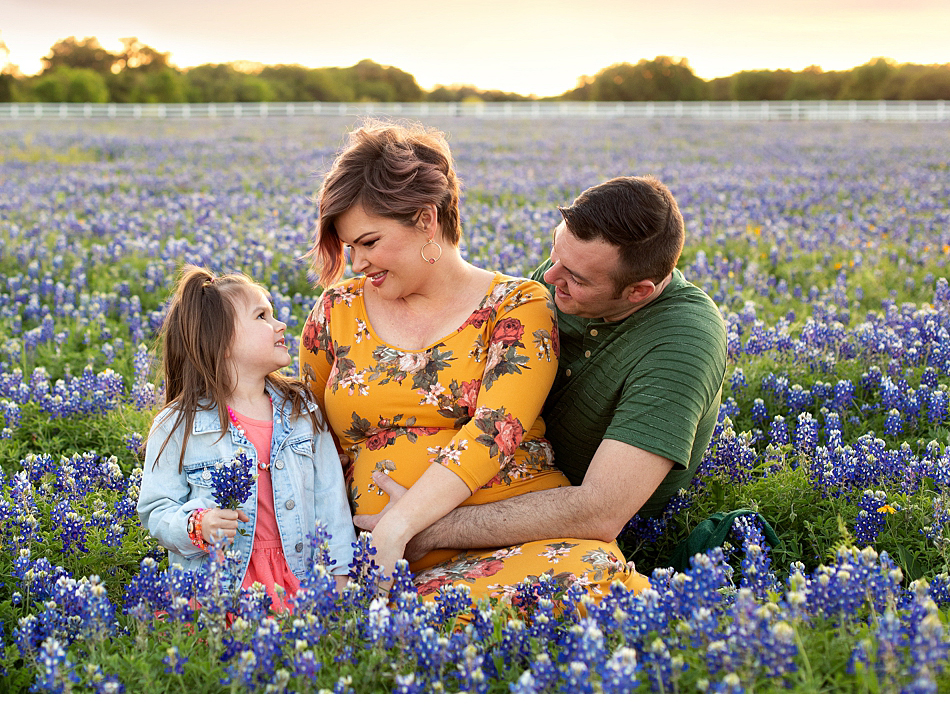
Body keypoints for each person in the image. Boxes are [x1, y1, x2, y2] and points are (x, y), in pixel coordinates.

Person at [297, 123, 644, 600]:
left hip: (515, 539)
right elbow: (307, 438)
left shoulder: (519, 304)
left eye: (370, 242)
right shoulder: (335, 312)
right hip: (375, 559)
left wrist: (399, 525)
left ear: (425, 219)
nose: (357, 263)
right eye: (350, 247)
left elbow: (495, 430)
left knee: (584, 577)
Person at [358, 176, 728, 561]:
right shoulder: (558, 280)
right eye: (555, 253)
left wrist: (421, 524)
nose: (549, 279)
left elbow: (601, 510)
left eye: (576, 278)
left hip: (575, 535)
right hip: (497, 484)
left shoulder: (683, 341)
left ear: (639, 292)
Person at [137, 266, 354, 612]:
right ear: (221, 343)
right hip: (216, 586)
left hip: (298, 579)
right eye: (262, 316)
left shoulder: (302, 410)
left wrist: (341, 579)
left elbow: (331, 504)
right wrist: (198, 525)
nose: (280, 324)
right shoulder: (178, 423)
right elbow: (156, 510)